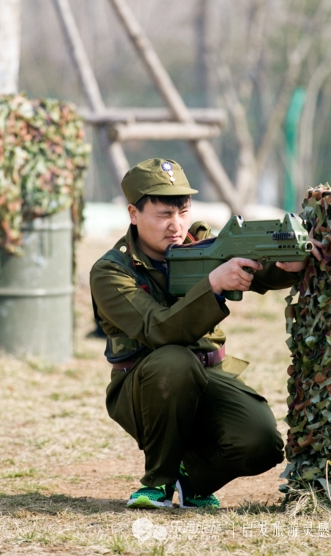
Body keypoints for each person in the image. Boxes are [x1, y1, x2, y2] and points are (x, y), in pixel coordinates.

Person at [90, 158, 307, 509]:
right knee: (174, 361)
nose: (175, 225)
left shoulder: (201, 244)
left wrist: (287, 265)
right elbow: (159, 330)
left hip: (207, 375)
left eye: (183, 212)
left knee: (262, 444)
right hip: (145, 387)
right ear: (133, 213)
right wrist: (214, 285)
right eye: (163, 214)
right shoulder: (112, 271)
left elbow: (259, 268)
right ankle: (156, 483)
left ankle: (191, 482)